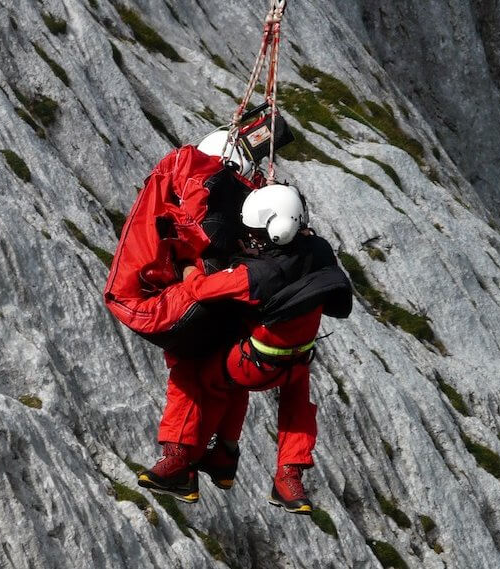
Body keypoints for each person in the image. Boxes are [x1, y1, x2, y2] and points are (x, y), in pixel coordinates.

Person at [137, 184, 353, 514]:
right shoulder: (319, 250)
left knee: (193, 372)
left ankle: (180, 461)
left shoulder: (256, 276)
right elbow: (289, 247)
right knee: (294, 406)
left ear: (274, 232)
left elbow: (200, 289)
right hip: (297, 361)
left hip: (253, 365)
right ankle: (286, 477)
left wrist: (185, 263)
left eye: (256, 234)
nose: (252, 239)